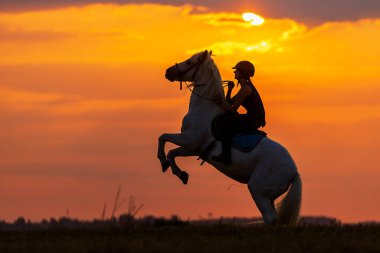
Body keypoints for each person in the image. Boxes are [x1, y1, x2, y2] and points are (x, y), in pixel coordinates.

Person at [212, 60, 266, 165]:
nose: (234, 72)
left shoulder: (246, 89)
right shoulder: (244, 87)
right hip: (252, 118)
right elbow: (229, 102)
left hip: (253, 120)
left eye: (236, 70)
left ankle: (226, 157)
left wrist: (218, 102)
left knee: (224, 123)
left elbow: (232, 109)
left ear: (242, 73)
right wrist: (230, 89)